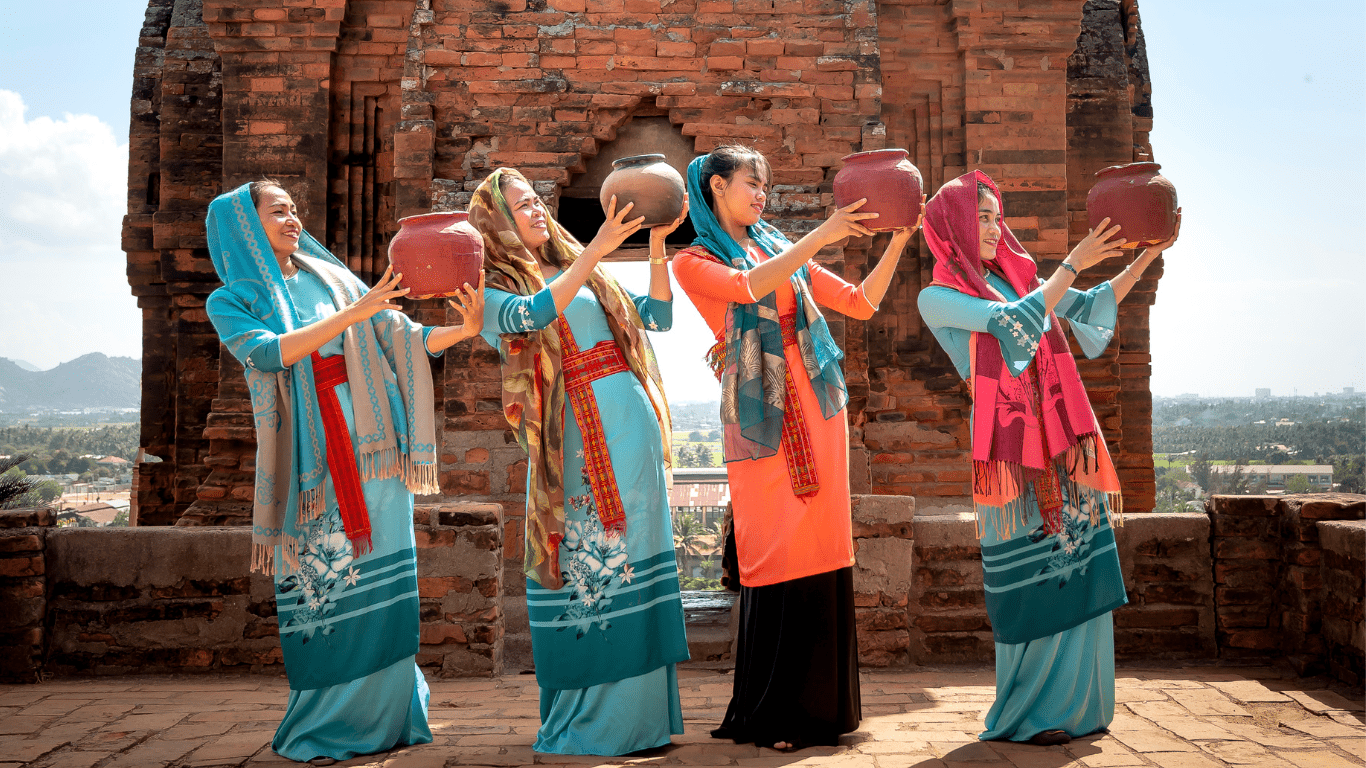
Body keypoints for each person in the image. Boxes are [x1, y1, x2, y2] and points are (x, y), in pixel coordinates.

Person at [204, 180, 484, 765]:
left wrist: (461, 330)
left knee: (387, 570)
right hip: (310, 456)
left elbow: (395, 336)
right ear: (245, 227)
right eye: (278, 211)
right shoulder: (230, 299)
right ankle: (326, 723)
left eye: (294, 209)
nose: (293, 219)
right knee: (323, 581)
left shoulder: (329, 279)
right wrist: (354, 313)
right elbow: (268, 353)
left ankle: (391, 715)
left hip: (375, 445)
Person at [916, 170, 1180, 745]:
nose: (992, 227)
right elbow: (1018, 323)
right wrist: (1072, 263)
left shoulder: (1019, 278)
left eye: (995, 216)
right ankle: (1031, 714)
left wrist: (1145, 260)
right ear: (952, 226)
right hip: (1009, 450)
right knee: (1029, 574)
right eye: (980, 217)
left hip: (1061, 438)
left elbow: (1085, 311)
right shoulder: (939, 296)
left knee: (1078, 561)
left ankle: (1081, 708)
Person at [670, 145, 919, 751]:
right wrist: (822, 235)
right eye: (750, 184)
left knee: (822, 544)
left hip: (819, 404)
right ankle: (775, 711)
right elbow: (749, 286)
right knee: (776, 546)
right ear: (716, 188)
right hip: (761, 418)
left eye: (765, 186)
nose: (760, 195)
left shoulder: (778, 246)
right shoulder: (694, 260)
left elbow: (861, 303)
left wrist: (898, 241)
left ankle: (821, 710)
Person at [468, 168, 690, 755]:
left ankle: (643, 720)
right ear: (495, 222)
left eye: (537, 200)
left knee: (635, 553)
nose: (537, 209)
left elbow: (658, 319)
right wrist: (595, 252)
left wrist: (658, 246)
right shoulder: (488, 290)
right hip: (572, 437)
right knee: (587, 560)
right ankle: (591, 721)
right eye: (521, 205)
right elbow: (533, 316)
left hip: (631, 428)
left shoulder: (583, 271)